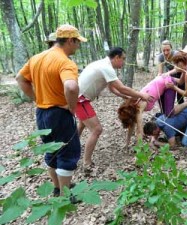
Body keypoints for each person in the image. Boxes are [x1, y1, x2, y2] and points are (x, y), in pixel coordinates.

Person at [16, 24, 86, 197]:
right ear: (70, 40)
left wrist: (37, 99)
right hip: (60, 114)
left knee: (51, 149)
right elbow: (70, 86)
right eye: (77, 42)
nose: (78, 46)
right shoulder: (65, 62)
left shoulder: (36, 58)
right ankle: (65, 195)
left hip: (42, 113)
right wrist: (72, 107)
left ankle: (57, 187)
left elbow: (20, 78)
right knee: (67, 153)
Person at [75, 47, 152, 173]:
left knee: (82, 125)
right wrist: (141, 95)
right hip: (80, 99)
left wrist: (124, 97)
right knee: (97, 129)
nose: (124, 62)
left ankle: (70, 149)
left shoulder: (103, 64)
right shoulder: (107, 67)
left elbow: (112, 88)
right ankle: (86, 163)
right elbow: (122, 87)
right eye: (123, 59)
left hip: (80, 98)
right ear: (116, 58)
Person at [118, 74, 182, 148]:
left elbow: (139, 130)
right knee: (165, 113)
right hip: (160, 81)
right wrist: (126, 144)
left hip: (167, 83)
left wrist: (139, 148)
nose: (132, 122)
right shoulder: (132, 105)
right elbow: (131, 127)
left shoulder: (140, 105)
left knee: (169, 113)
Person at [157, 40, 184, 111]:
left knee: (180, 96)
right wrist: (158, 78)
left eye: (168, 50)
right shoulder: (161, 57)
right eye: (163, 50)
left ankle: (182, 112)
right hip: (170, 75)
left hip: (181, 74)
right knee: (165, 90)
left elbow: (178, 69)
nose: (165, 52)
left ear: (171, 48)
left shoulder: (176, 54)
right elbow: (160, 72)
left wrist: (167, 74)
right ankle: (165, 111)